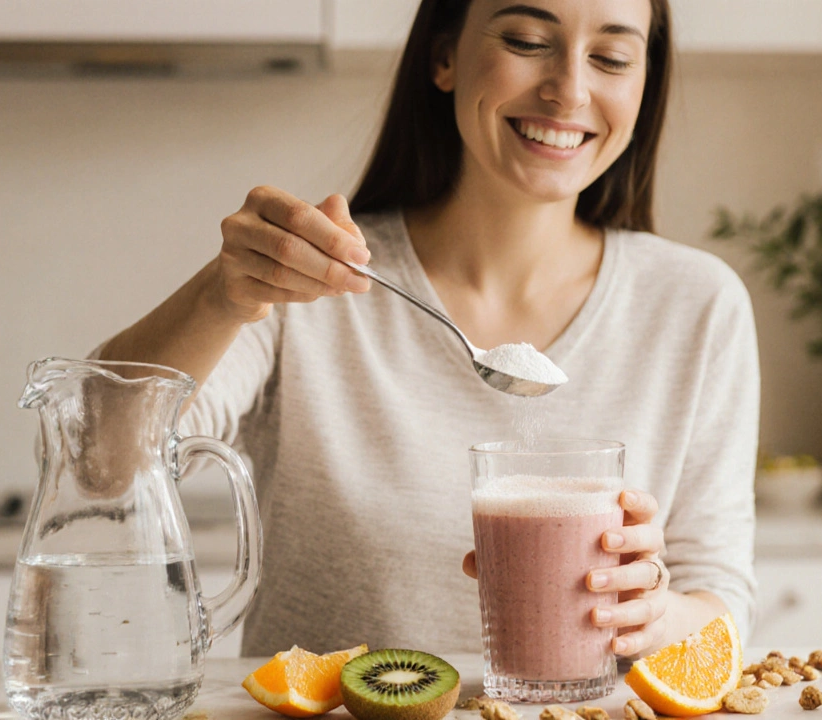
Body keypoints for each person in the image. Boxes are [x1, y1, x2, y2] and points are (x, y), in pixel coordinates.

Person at [98, 0, 759, 659]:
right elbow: (102, 464)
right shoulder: (307, 279)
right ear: (445, 56)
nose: (570, 90)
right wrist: (221, 295)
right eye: (529, 41)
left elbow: (719, 606)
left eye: (611, 58)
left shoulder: (696, 305)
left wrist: (657, 614)